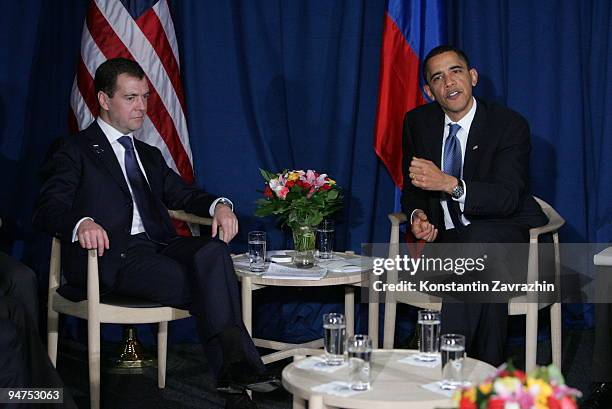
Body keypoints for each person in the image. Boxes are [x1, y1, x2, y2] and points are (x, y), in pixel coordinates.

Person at [33, 58, 276, 409]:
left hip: (162, 244)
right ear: (103, 99)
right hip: (116, 255)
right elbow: (47, 209)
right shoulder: (75, 150)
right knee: (209, 283)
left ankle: (236, 374)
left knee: (213, 254)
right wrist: (80, 223)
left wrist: (220, 205)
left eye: (145, 97)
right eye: (131, 98)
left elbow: (184, 194)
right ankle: (238, 386)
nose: (142, 107)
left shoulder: (147, 153)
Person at [401, 45, 547, 366]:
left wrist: (450, 184)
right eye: (438, 78)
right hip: (448, 249)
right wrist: (417, 216)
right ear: (429, 91)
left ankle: (447, 371)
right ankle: (486, 378)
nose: (449, 82)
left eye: (456, 71)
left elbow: (507, 198)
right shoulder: (417, 123)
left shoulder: (508, 125)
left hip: (502, 242)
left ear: (473, 77)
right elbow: (412, 189)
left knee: (479, 247)